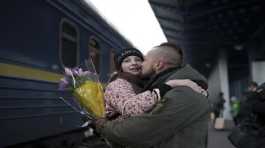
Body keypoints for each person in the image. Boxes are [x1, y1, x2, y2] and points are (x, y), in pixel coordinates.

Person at [96, 43, 210, 148]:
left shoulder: (182, 92)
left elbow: (138, 132)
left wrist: (103, 126)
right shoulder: (120, 84)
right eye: (127, 61)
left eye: (142, 60)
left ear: (158, 65)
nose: (137, 64)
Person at [104, 48, 206, 119]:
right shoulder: (117, 84)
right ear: (120, 67)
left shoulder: (143, 83)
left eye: (138, 59)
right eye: (127, 61)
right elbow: (130, 109)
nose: (134, 63)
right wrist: (170, 84)